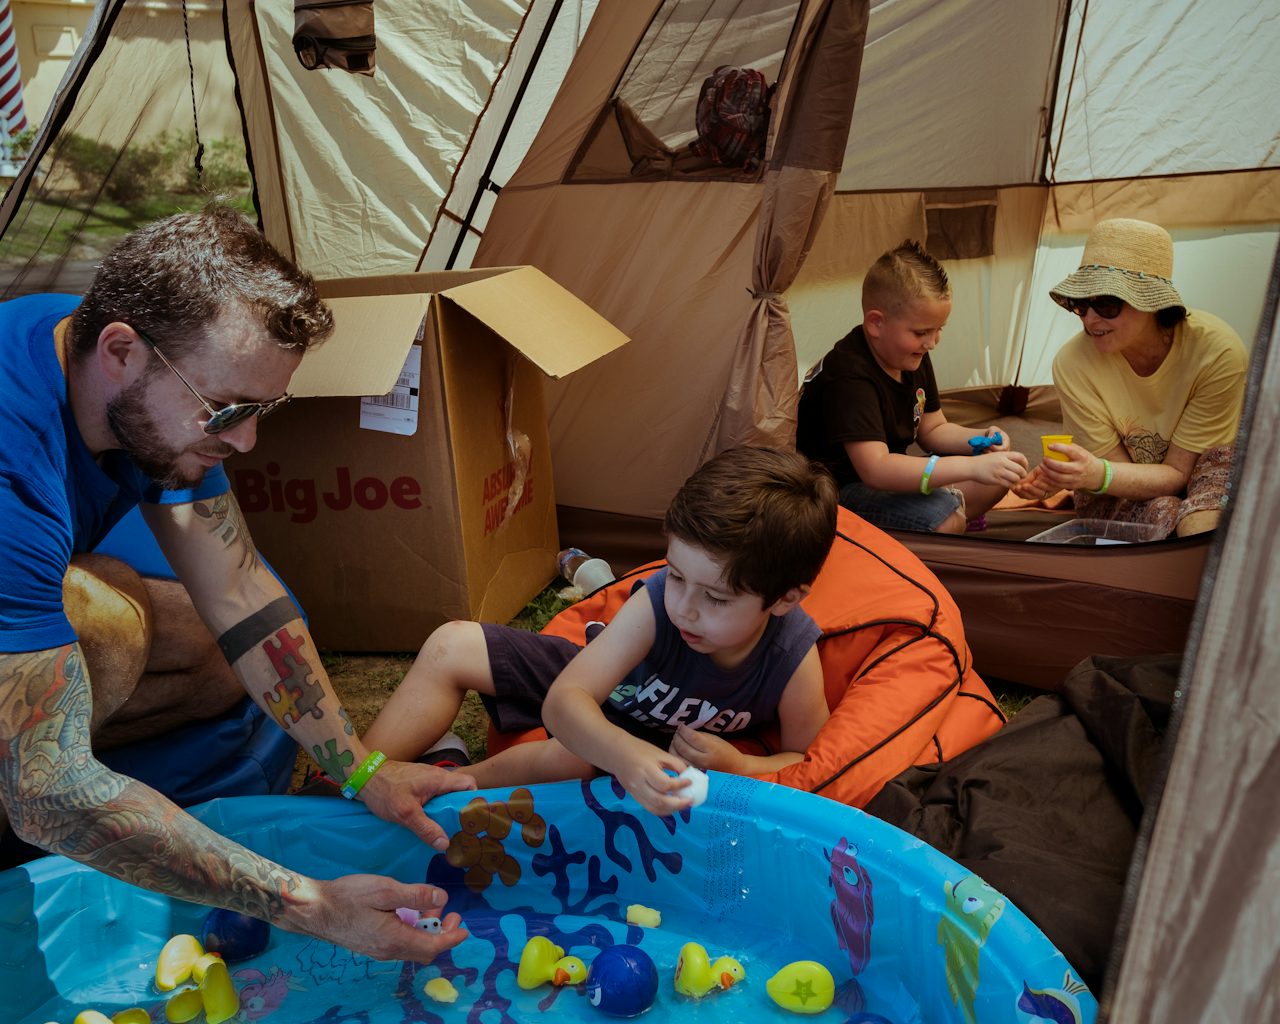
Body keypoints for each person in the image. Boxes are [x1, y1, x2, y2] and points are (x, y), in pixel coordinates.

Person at [0, 207, 476, 964]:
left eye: (264, 409)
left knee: (196, 639)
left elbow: (241, 592)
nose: (246, 441)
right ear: (121, 352)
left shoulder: (103, 353)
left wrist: (359, 766)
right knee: (92, 637)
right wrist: (311, 905)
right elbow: (47, 794)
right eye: (225, 409)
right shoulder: (11, 457)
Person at [364, 446, 838, 816]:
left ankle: (449, 780)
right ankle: (353, 774)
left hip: (638, 740)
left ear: (784, 599)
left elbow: (804, 758)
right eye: (675, 575)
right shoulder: (657, 605)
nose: (685, 610)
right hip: (602, 686)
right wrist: (625, 755)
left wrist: (740, 767)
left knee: (573, 760)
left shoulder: (791, 655)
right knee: (453, 644)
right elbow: (566, 698)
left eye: (715, 598)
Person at [1012, 218, 1248, 538]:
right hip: (1115, 486)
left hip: (1201, 469)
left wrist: (1095, 472)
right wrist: (1091, 473)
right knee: (1161, 512)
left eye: (1106, 304)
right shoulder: (1073, 364)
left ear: (1151, 303)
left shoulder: (1216, 352)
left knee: (1209, 504)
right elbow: (1117, 479)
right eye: (1081, 304)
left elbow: (1182, 472)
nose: (1090, 319)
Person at [795, 240, 1028, 534]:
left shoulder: (911, 356)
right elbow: (876, 470)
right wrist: (969, 469)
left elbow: (933, 429)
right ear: (876, 323)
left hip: (888, 475)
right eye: (921, 332)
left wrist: (983, 437)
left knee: (1000, 473)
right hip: (835, 494)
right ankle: (940, 526)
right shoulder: (849, 377)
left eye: (938, 330)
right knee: (946, 518)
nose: (932, 343)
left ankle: (945, 517)